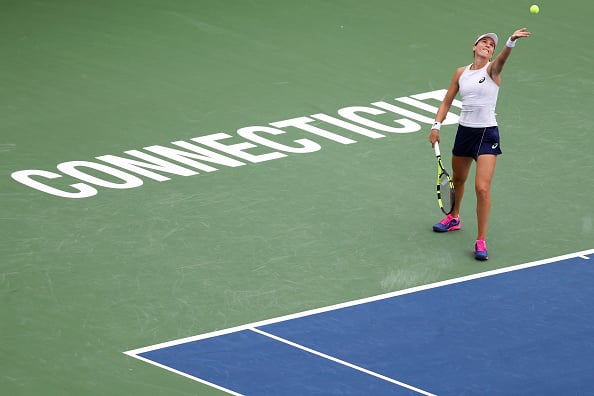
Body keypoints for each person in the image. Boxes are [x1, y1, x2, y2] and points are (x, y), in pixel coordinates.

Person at [428, 28, 531, 261]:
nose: (488, 45)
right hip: (465, 132)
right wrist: (436, 126)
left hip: (487, 134)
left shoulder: (493, 70)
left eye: (491, 45)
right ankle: (454, 217)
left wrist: (510, 42)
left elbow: (503, 59)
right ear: (474, 47)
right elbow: (446, 102)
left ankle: (480, 240)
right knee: (458, 179)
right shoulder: (460, 73)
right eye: (483, 42)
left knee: (482, 188)